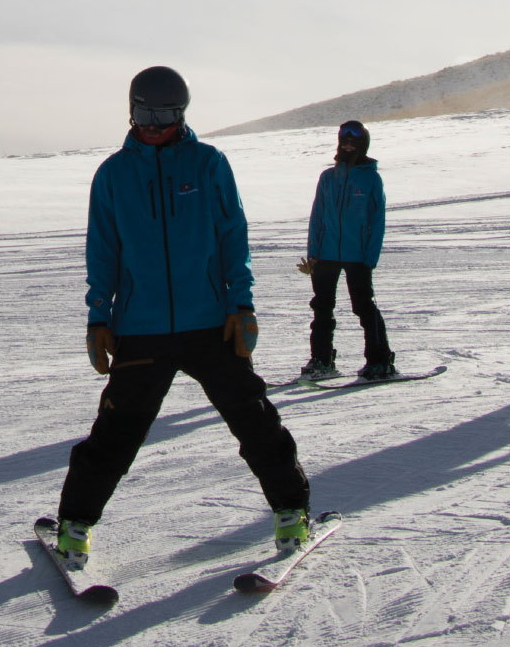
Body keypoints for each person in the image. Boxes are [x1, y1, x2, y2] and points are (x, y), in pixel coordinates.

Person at [53, 66, 312, 563]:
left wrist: (242, 304)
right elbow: (101, 252)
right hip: (142, 328)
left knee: (253, 419)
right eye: (147, 112)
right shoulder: (113, 174)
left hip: (210, 323)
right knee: (116, 432)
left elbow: (232, 236)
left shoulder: (209, 164)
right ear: (131, 110)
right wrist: (97, 317)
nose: (154, 124)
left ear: (182, 114)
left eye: (167, 114)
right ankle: (75, 523)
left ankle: (291, 509)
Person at [297, 120, 395, 380]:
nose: (348, 145)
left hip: (358, 255)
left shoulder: (372, 178)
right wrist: (313, 253)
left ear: (362, 145)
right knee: (322, 308)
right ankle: (322, 360)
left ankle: (380, 361)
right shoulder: (328, 177)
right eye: (344, 141)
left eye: (354, 142)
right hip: (326, 254)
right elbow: (317, 216)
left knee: (364, 307)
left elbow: (377, 220)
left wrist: (370, 257)